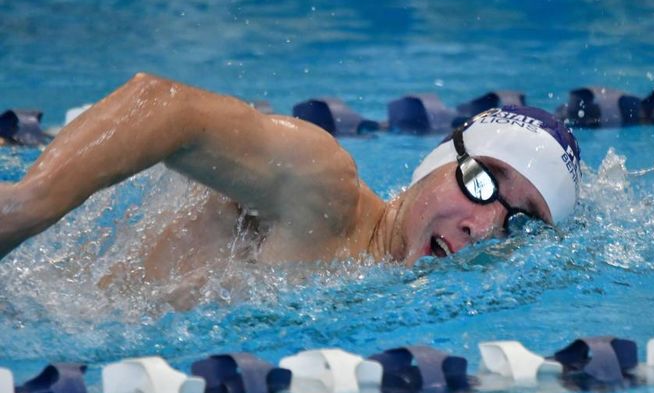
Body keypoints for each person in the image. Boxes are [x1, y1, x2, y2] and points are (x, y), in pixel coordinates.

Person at [0, 73, 581, 277]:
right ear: (439, 159)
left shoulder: (372, 283)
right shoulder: (326, 190)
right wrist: (28, 205)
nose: (484, 225)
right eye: (482, 181)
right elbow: (165, 106)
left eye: (520, 224)